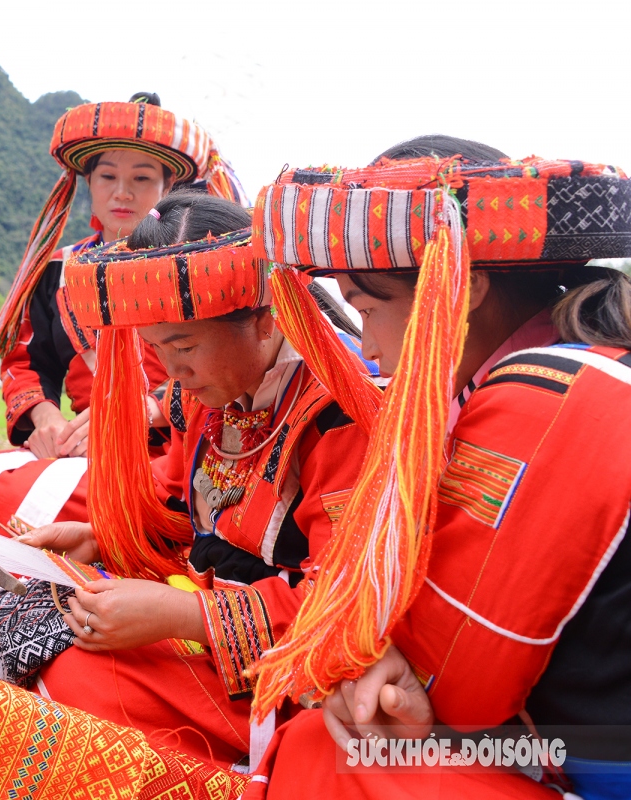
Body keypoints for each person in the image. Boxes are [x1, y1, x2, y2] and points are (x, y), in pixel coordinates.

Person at [244, 136, 631, 799]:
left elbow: (457, 689)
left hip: (601, 759)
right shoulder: (576, 371)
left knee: (327, 750)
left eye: (368, 310)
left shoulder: (549, 399)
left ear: (465, 288)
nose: (364, 347)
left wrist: (381, 669)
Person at [0, 192, 371, 768]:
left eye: (183, 347)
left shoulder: (339, 413)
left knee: (73, 683)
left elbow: (342, 605)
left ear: (263, 323)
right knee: (25, 609)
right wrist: (96, 537)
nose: (174, 374)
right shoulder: (202, 397)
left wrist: (184, 616)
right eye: (157, 350)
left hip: (290, 675)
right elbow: (188, 519)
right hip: (210, 618)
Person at [0, 94, 248, 617]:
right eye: (107, 177)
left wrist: (138, 410)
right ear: (87, 185)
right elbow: (25, 361)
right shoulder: (56, 270)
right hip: (77, 444)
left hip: (171, 449)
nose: (122, 193)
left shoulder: (197, 267)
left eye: (142, 179)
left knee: (37, 502)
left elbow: (223, 370)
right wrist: (43, 415)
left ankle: (30, 627)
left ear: (169, 189)